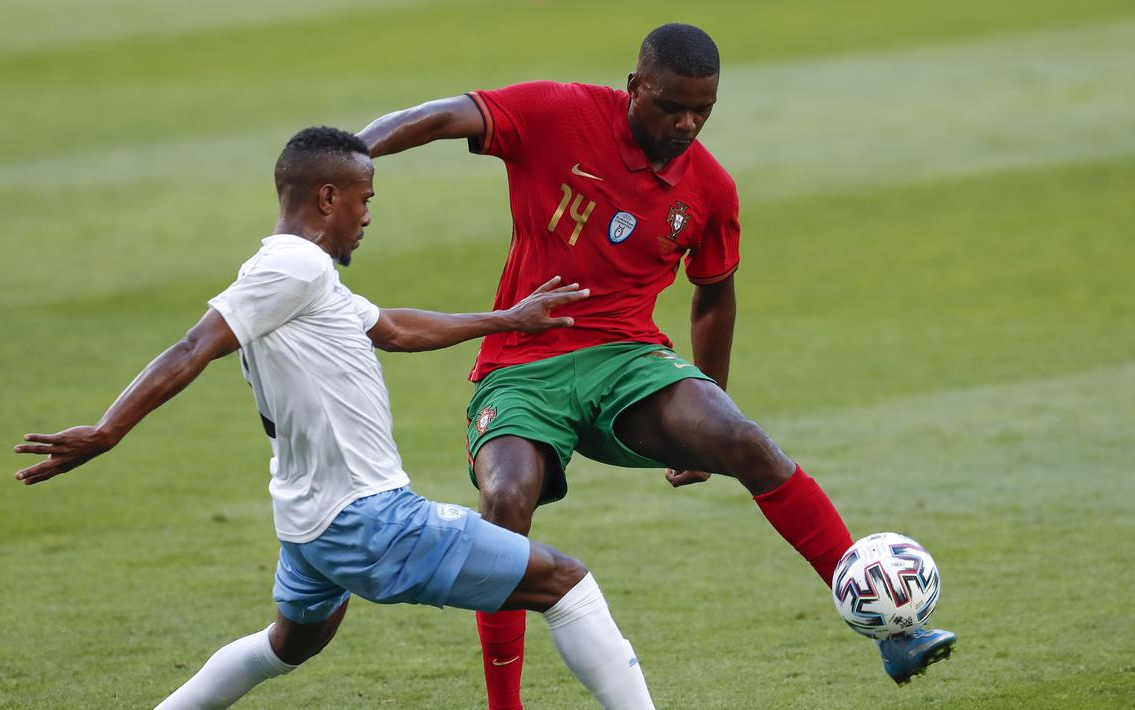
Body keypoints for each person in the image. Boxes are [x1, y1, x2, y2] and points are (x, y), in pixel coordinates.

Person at [357, 23, 956, 705]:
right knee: (503, 503)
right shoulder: (557, 112)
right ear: (634, 86)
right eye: (671, 105)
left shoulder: (709, 188)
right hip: (522, 362)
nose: (687, 123)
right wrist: (351, 158)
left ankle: (891, 633)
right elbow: (434, 117)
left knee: (747, 443)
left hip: (628, 361)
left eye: (703, 109)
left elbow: (713, 297)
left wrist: (710, 402)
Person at [13, 126, 657, 710]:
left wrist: (508, 319)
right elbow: (193, 346)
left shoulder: (309, 278)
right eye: (363, 198)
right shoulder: (289, 266)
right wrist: (108, 430)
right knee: (566, 584)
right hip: (366, 517)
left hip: (308, 523)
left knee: (285, 648)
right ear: (327, 198)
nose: (367, 216)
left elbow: (396, 329)